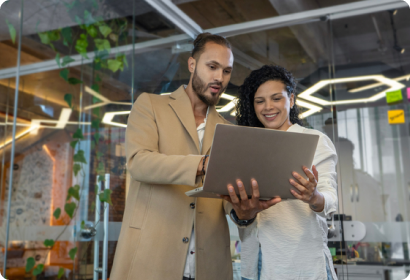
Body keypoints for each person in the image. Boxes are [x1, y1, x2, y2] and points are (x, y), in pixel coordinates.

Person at [110, 33, 280, 280]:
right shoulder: (150, 105)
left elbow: (225, 200)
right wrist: (203, 164)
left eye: (226, 71)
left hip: (209, 266)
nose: (219, 78)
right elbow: (139, 162)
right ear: (192, 65)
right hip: (150, 259)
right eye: (212, 67)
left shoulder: (229, 131)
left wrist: (244, 211)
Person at [220, 65, 338, 280]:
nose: (268, 107)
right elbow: (235, 210)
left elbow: (330, 201)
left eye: (276, 98)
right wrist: (242, 213)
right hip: (255, 269)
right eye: (260, 101)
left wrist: (314, 197)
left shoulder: (314, 141)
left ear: (291, 100)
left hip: (304, 269)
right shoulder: (245, 145)